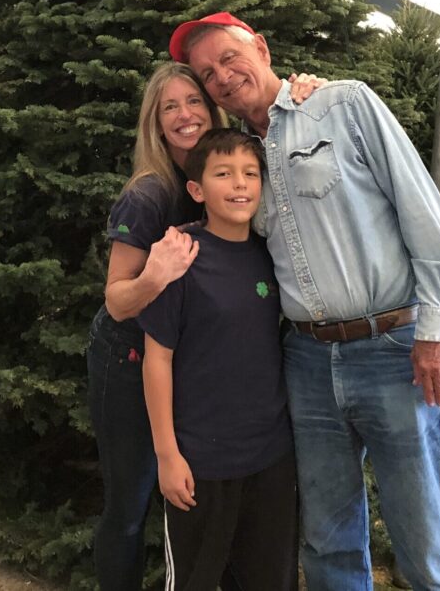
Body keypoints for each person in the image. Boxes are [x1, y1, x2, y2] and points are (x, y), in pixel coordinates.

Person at [169, 11, 440, 591]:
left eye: (231, 58)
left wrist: (436, 330)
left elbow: (423, 213)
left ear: (260, 46)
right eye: (208, 74)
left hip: (394, 348)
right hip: (306, 364)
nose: (223, 77)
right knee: (327, 541)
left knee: (425, 539)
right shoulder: (240, 158)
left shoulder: (342, 105)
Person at [87, 62, 321, 591]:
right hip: (129, 356)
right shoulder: (147, 195)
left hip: (220, 393)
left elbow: (273, 130)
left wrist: (304, 91)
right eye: (169, 106)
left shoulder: (230, 166)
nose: (184, 114)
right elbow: (119, 300)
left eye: (193, 101)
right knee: (130, 499)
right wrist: (158, 274)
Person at [139, 129, 298, 591]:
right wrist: (167, 455)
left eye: (251, 173)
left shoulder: (273, 256)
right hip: (201, 464)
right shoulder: (180, 258)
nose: (240, 185)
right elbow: (157, 360)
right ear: (197, 189)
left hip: (271, 458)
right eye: (223, 174)